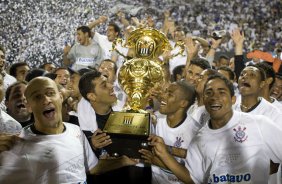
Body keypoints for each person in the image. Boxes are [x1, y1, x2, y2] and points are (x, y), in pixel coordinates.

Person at [146, 74, 282, 183]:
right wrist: (164, 154)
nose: (214, 97)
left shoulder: (259, 124)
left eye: (221, 92)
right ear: (204, 100)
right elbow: (193, 178)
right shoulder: (199, 138)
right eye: (209, 93)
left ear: (233, 99)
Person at [0, 76, 137, 183]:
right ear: (29, 106)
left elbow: (92, 167)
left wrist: (123, 161)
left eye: (50, 93)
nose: (46, 100)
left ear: (60, 97)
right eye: (37, 97)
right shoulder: (16, 146)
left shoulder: (75, 131)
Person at [78, 70, 151, 184]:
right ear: (92, 96)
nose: (111, 86)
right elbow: (86, 167)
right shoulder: (81, 128)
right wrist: (92, 146)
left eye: (108, 82)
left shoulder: (127, 113)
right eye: (104, 85)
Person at [139, 80, 201, 184]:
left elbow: (193, 178)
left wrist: (158, 162)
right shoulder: (157, 119)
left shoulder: (195, 132)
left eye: (170, 94)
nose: (163, 96)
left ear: (183, 103)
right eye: (165, 91)